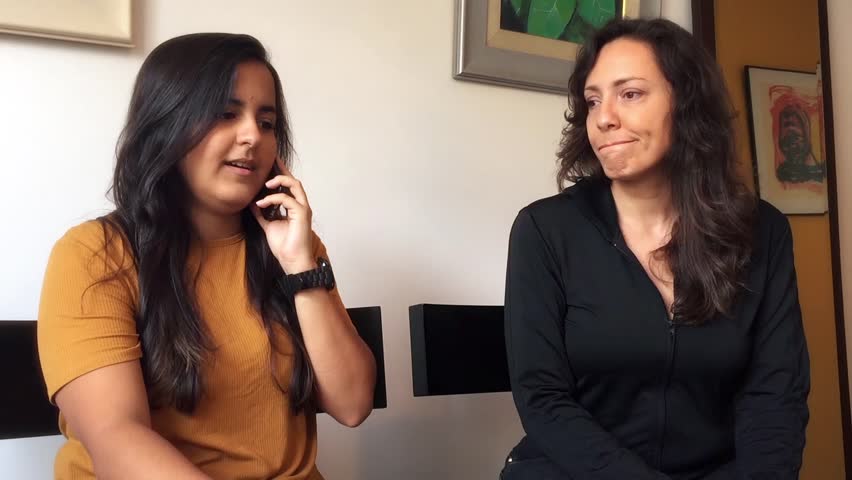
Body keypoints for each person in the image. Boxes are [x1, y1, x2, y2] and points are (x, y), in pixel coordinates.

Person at [37, 33, 376, 480]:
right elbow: (117, 439)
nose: (253, 134)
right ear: (166, 123)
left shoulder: (294, 250)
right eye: (225, 114)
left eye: (267, 121)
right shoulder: (94, 255)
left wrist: (300, 266)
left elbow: (352, 404)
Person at [502, 18, 810, 479]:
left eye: (630, 94)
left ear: (686, 105)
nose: (604, 116)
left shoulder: (762, 231)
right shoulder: (544, 229)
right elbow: (543, 400)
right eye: (592, 100)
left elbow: (775, 396)